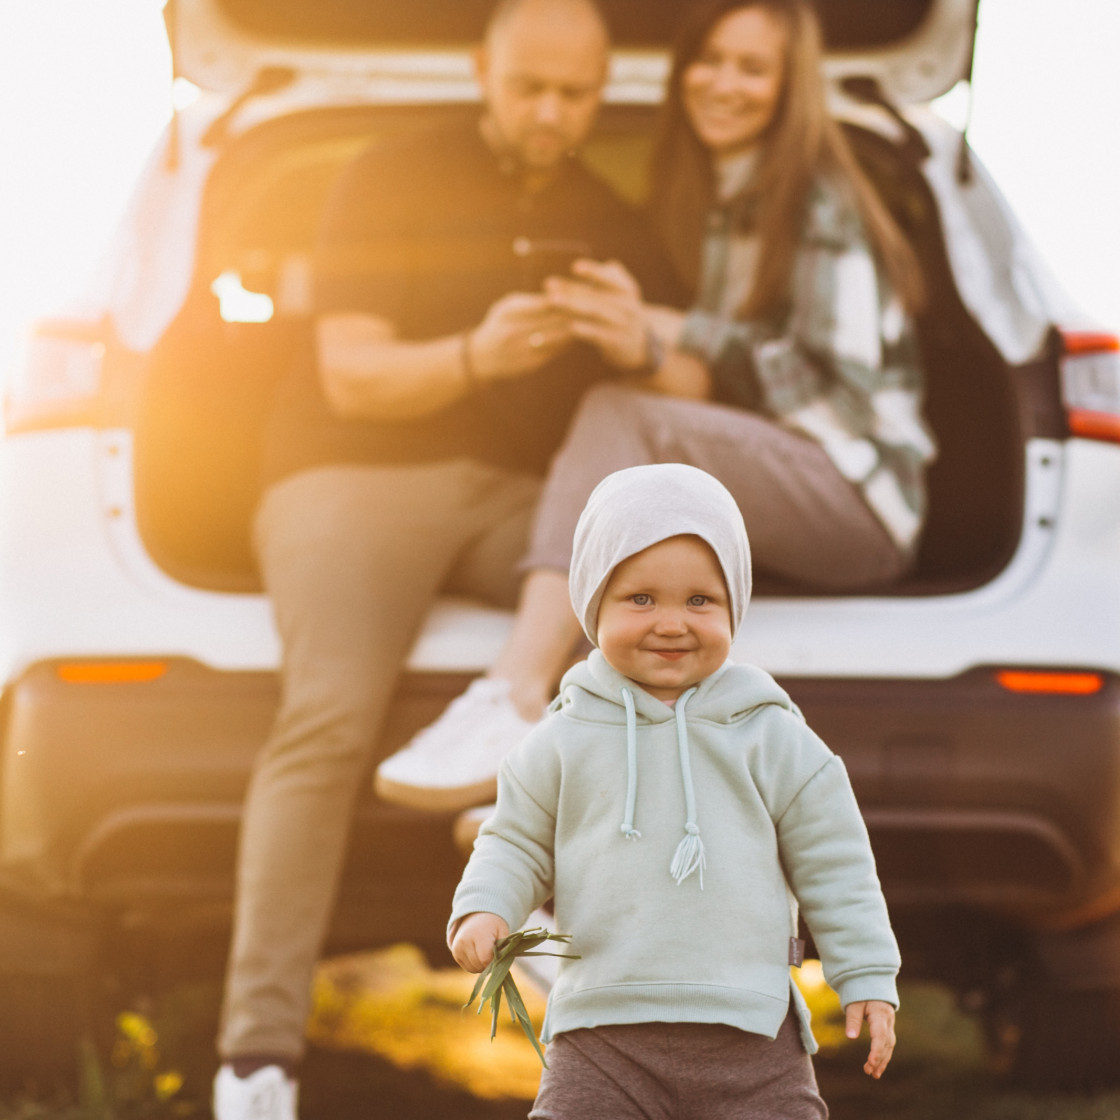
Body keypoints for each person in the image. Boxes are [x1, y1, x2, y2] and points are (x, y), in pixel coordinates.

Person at [212, 1, 677, 1116]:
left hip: (516, 502)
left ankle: (585, 959)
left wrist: (637, 340)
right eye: (530, 88)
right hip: (347, 480)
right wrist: (477, 352)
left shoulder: (609, 217)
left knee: (631, 655)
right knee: (325, 717)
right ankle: (255, 1061)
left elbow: (671, 404)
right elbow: (352, 378)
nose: (552, 113)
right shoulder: (387, 173)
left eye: (575, 94)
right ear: (483, 69)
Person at [376, 0, 936, 815]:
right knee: (638, 496)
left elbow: (835, 393)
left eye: (753, 67)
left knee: (623, 412)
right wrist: (626, 328)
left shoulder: (817, 199)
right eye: (709, 60)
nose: (723, 84)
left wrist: (675, 333)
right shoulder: (705, 196)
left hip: (856, 496)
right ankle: (544, 814)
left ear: (790, 88)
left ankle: (513, 693)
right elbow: (694, 380)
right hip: (774, 483)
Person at [449, 463, 899, 1118]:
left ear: (733, 607)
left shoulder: (772, 736)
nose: (670, 622)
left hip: (752, 1036)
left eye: (699, 601)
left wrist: (866, 976)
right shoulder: (563, 738)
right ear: (593, 603)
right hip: (601, 1036)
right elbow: (515, 841)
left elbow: (837, 866)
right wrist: (486, 907)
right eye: (640, 599)